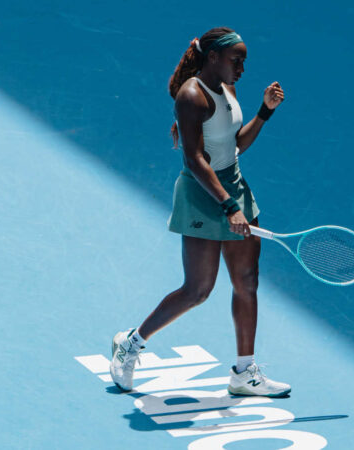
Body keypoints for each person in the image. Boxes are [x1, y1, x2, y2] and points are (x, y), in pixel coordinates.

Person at [109, 27, 290, 397]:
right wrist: (228, 207)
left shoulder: (229, 89)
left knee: (247, 282)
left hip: (233, 188)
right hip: (202, 194)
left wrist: (264, 113)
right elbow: (194, 160)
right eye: (235, 61)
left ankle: (244, 372)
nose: (241, 68)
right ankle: (131, 344)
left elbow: (235, 145)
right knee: (197, 290)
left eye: (244, 62)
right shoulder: (191, 96)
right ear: (213, 58)